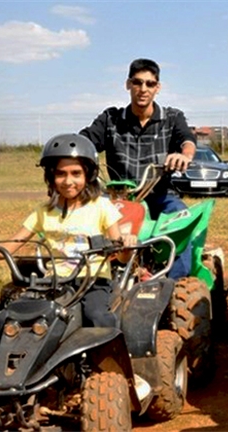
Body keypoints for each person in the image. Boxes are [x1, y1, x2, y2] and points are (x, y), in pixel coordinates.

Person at [0, 133, 136, 327]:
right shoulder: (43, 212)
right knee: (8, 318)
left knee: (98, 318)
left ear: (89, 175)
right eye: (61, 173)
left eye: (76, 173)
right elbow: (8, 248)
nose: (68, 181)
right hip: (53, 282)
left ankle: (111, 357)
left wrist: (126, 245)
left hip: (93, 281)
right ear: (51, 176)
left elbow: (121, 257)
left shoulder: (101, 206)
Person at [80, 58, 196, 279]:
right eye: (138, 82)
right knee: (84, 221)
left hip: (160, 194)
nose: (143, 89)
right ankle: (87, 277)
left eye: (150, 84)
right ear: (128, 84)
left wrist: (184, 155)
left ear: (157, 87)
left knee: (180, 219)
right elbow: (86, 140)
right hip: (118, 196)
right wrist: (73, 153)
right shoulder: (111, 119)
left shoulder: (172, 118)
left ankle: (173, 284)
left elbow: (187, 140)